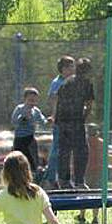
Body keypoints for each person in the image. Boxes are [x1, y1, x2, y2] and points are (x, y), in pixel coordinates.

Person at [56, 57, 94, 189]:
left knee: (64, 151)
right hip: (75, 121)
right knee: (81, 151)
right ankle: (79, 181)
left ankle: (64, 180)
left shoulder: (66, 81)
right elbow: (89, 105)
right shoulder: (86, 83)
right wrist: (83, 117)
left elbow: (58, 101)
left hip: (63, 120)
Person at [46, 55, 76, 188]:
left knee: (68, 151)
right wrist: (53, 116)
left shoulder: (73, 81)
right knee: (56, 149)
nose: (72, 69)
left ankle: (66, 179)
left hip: (71, 121)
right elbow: (53, 100)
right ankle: (51, 177)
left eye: (73, 67)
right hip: (60, 121)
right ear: (63, 69)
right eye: (70, 67)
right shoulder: (57, 82)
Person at [11, 87, 51, 173]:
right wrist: (23, 118)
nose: (32, 103)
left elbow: (42, 121)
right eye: (30, 100)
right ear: (25, 99)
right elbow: (14, 121)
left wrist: (48, 121)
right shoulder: (20, 109)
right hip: (19, 139)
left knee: (32, 159)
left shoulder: (35, 111)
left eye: (34, 100)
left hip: (30, 138)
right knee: (19, 160)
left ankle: (33, 174)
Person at [76, 124, 103, 224]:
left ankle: (82, 216)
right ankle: (95, 218)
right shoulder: (101, 143)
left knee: (84, 194)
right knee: (96, 195)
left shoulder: (82, 142)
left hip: (85, 171)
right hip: (98, 172)